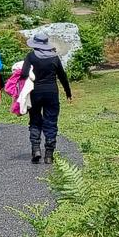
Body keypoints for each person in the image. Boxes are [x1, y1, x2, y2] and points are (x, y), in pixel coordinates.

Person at [19, 32, 72, 165]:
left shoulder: (31, 56)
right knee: (51, 121)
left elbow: (24, 73)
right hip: (51, 93)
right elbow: (62, 76)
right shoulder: (54, 57)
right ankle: (49, 154)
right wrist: (68, 92)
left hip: (35, 93)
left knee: (35, 120)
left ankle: (36, 149)